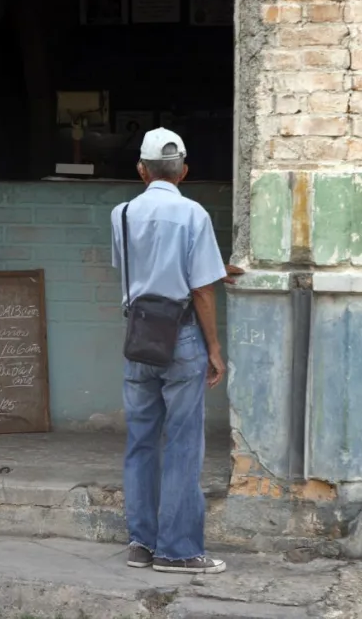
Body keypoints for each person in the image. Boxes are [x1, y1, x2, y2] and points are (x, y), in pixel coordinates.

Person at [110, 127, 229, 575]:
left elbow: (141, 270)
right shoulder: (194, 214)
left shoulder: (121, 214)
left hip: (139, 338)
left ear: (142, 170)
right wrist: (214, 348)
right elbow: (200, 289)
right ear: (184, 171)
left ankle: (141, 543)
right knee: (182, 444)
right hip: (181, 338)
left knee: (140, 441)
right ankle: (178, 551)